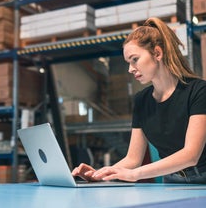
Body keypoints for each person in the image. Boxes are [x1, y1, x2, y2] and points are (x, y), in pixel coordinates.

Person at [72, 17, 206, 184]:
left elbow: (191, 155)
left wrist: (135, 174)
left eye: (134, 59)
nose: (130, 69)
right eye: (128, 62)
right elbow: (133, 159)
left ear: (157, 53)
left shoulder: (199, 91)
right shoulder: (142, 100)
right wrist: (99, 175)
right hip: (172, 181)